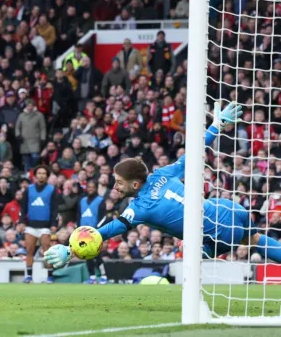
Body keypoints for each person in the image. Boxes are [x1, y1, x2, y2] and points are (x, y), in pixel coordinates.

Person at [46, 102, 281, 267]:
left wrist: (70, 250)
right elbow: (191, 155)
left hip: (219, 231)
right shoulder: (162, 174)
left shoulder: (139, 208)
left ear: (136, 184)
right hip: (228, 208)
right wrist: (216, 126)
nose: (115, 187)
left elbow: (110, 230)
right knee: (255, 240)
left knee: (191, 249)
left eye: (119, 183)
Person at [20, 165, 58, 283]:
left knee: (47, 251)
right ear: (35, 176)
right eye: (39, 173)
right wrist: (21, 221)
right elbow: (23, 207)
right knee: (29, 250)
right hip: (31, 225)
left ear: (47, 176)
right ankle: (29, 276)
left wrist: (53, 224)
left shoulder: (51, 189)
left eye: (44, 173)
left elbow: (54, 208)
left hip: (45, 226)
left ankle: (50, 276)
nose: (41, 175)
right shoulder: (29, 189)